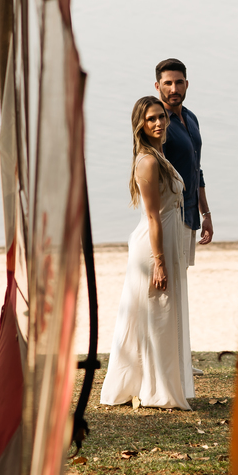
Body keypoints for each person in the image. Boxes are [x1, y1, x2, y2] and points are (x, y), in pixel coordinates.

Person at [100, 96, 193, 410]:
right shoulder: (148, 162)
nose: (158, 123)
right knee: (157, 313)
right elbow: (153, 216)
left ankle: (150, 383)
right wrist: (159, 262)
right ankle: (156, 389)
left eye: (161, 117)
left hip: (166, 239)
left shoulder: (159, 155)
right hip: (153, 246)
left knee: (155, 314)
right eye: (151, 118)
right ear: (140, 124)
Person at [155, 59, 210, 376]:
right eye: (168, 83)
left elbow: (196, 168)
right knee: (168, 290)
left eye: (179, 82)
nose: (174, 88)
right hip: (170, 214)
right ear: (158, 86)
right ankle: (171, 362)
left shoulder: (190, 118)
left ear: (186, 84)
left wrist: (206, 212)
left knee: (180, 286)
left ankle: (181, 358)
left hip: (190, 213)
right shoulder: (159, 124)